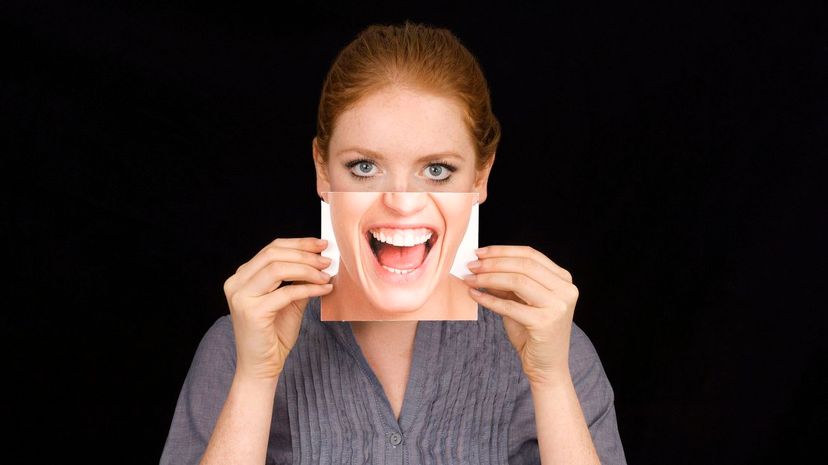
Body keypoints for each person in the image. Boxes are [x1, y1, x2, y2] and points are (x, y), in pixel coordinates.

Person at [160, 21, 627, 465]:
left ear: (480, 176)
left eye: (437, 170)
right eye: (364, 167)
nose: (402, 202)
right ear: (322, 170)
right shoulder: (237, 345)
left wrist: (550, 379)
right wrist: (255, 377)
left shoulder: (553, 345)